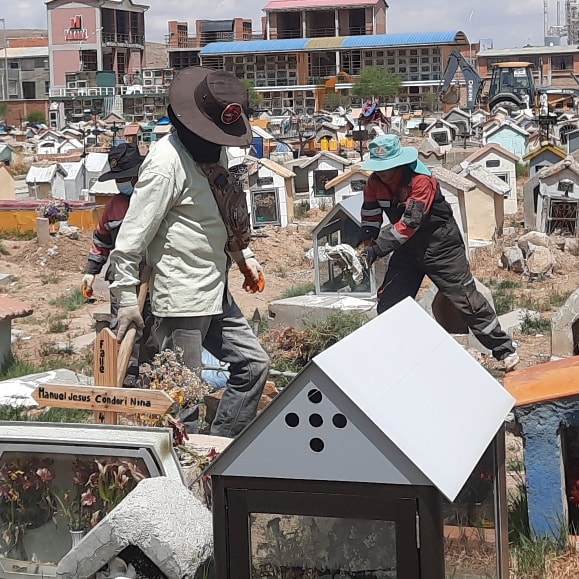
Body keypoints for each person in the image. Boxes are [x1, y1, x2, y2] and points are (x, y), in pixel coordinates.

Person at [109, 66, 270, 437]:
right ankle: (185, 471)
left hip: (215, 289)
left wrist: (244, 256)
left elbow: (221, 209)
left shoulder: (217, 153)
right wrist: (126, 301)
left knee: (253, 365)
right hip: (181, 298)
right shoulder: (166, 165)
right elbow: (129, 241)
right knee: (185, 400)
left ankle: (217, 448)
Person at [358, 134, 520, 372]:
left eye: (386, 167)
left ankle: (504, 350)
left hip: (441, 246)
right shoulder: (374, 183)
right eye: (378, 168)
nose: (382, 172)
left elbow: (409, 224)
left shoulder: (421, 180)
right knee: (389, 304)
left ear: (399, 163)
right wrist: (363, 249)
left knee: (466, 300)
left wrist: (376, 251)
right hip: (406, 249)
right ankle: (399, 356)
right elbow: (370, 217)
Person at [82, 143, 155, 387]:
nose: (122, 183)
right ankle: (126, 378)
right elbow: (101, 240)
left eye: (126, 178)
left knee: (154, 328)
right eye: (118, 179)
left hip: (153, 278)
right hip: (121, 280)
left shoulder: (154, 199)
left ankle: (152, 375)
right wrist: (91, 272)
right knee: (123, 326)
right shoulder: (113, 206)